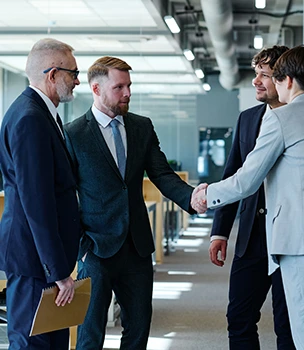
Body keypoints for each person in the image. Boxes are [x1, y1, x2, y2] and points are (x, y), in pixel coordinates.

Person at [193, 45, 304, 350]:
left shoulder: (281, 119)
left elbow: (246, 181)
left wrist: (206, 195)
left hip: (302, 247)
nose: (269, 82)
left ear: (288, 80)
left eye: (274, 77)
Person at [64, 56, 206, 350]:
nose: (128, 93)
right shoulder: (73, 134)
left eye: (129, 85)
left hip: (138, 247)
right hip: (96, 249)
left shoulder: (141, 127)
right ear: (96, 89)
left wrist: (191, 197)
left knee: (138, 331)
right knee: (90, 335)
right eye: (119, 87)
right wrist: (80, 245)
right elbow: (65, 195)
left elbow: (162, 174)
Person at [209, 45, 295, 349]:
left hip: (291, 240)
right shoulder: (248, 119)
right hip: (251, 239)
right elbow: (232, 174)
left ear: (286, 79)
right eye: (256, 74)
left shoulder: (303, 119)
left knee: (288, 327)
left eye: (265, 75)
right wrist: (219, 231)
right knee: (239, 318)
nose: (256, 81)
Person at [0, 38, 81, 349]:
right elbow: (38, 203)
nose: (76, 80)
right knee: (33, 343)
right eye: (73, 73)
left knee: (53, 340)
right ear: (52, 74)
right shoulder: (30, 118)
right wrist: (59, 271)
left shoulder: (41, 113)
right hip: (33, 260)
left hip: (42, 259)